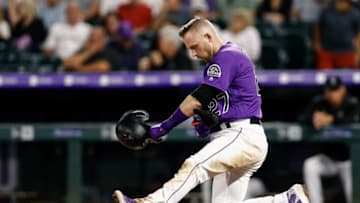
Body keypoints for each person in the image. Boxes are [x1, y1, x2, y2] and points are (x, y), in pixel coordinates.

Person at [113, 17, 309, 203]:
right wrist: (206, 125)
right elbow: (210, 111)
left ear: (208, 36)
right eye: (189, 49)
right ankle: (287, 199)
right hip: (235, 136)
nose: (193, 54)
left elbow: (197, 100)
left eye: (195, 47)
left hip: (241, 134)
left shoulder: (228, 54)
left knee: (194, 165)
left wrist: (163, 128)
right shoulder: (215, 65)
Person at [299, 75, 360, 203]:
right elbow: (303, 117)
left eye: (336, 90)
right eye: (330, 90)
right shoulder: (320, 102)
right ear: (326, 91)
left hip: (350, 162)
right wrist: (313, 118)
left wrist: (331, 119)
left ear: (343, 89)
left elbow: (354, 118)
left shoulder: (352, 102)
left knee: (353, 196)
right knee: (310, 165)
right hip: (329, 159)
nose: (332, 94)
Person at [313, 0, 360, 69]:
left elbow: (358, 34)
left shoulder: (355, 14)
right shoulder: (326, 11)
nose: (346, 5)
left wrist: (358, 53)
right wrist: (316, 43)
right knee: (324, 76)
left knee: (346, 78)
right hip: (327, 50)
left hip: (347, 51)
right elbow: (318, 27)